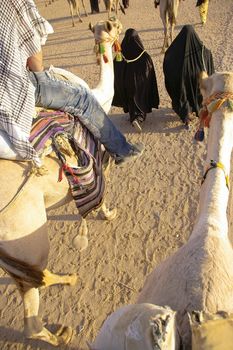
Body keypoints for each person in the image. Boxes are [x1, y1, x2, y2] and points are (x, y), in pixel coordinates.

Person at [0, 0, 144, 168]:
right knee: (82, 98)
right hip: (10, 86)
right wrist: (40, 75)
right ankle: (123, 150)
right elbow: (33, 49)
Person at [163, 25, 214, 129]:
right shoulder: (204, 52)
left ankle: (185, 115)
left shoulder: (173, 53)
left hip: (180, 83)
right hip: (197, 84)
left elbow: (167, 65)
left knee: (181, 90)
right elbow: (210, 72)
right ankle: (198, 110)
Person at [112, 28, 160, 132]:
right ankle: (139, 117)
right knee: (140, 98)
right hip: (140, 86)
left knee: (130, 98)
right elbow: (149, 72)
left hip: (127, 86)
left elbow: (116, 70)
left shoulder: (120, 56)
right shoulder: (145, 56)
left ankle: (132, 116)